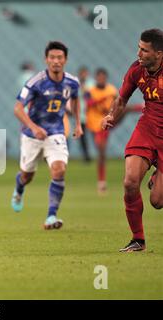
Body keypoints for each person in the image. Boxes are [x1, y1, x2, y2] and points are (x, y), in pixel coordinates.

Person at [101, 28, 163, 252]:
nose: (139, 53)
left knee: (157, 202)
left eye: (144, 50)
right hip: (147, 129)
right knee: (130, 182)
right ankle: (138, 240)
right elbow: (121, 99)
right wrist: (111, 116)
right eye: (139, 47)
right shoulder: (137, 69)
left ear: (159, 53)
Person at [11, 41, 83, 230]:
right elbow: (18, 109)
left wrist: (78, 123)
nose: (56, 61)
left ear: (65, 60)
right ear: (46, 60)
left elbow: (75, 100)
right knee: (27, 175)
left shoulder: (72, 82)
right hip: (32, 135)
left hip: (56, 133)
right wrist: (34, 127)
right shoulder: (35, 82)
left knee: (59, 170)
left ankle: (51, 216)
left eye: (60, 57)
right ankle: (19, 190)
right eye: (52, 58)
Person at [86, 68, 118, 194]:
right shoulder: (90, 91)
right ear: (96, 78)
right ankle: (101, 180)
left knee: (101, 150)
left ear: (106, 78)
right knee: (100, 151)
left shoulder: (112, 90)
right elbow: (88, 103)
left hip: (105, 123)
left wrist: (111, 110)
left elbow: (118, 103)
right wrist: (104, 98)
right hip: (93, 123)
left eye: (103, 77)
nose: (101, 79)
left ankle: (101, 181)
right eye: (99, 77)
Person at [77, 66, 94, 162]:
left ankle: (98, 152)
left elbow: (92, 95)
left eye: (85, 73)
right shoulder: (76, 84)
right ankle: (86, 156)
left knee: (94, 134)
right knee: (82, 137)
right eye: (81, 73)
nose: (83, 75)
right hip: (81, 114)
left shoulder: (91, 83)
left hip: (92, 114)